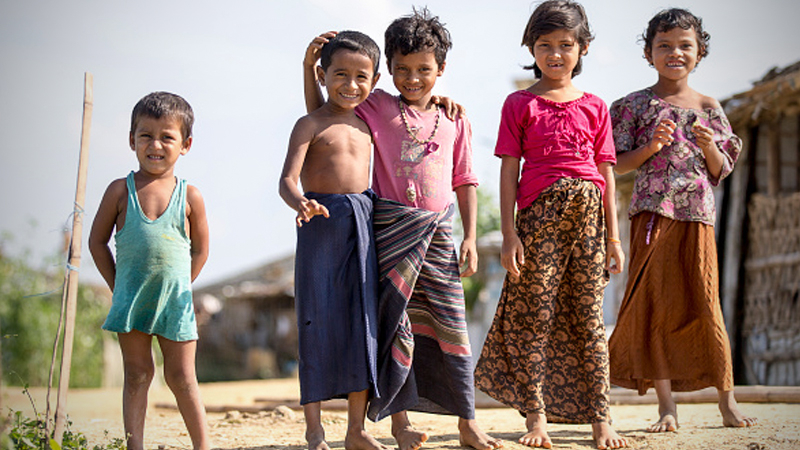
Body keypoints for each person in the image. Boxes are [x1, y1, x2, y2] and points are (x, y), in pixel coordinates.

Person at [303, 9, 501, 450]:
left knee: (452, 325)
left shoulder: (455, 119)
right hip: (389, 232)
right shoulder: (375, 106)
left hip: (439, 234)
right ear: (387, 71)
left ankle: (467, 423)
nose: (413, 78)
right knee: (396, 327)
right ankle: (400, 423)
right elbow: (323, 120)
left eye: (424, 70)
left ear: (441, 71)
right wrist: (308, 71)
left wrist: (470, 236)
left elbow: (465, 180)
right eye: (403, 70)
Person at [472, 1, 628, 448]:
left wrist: (614, 238)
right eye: (545, 46)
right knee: (534, 317)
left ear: (582, 48)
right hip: (538, 222)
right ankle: (536, 418)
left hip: (590, 226)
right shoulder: (520, 103)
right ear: (531, 48)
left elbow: (607, 175)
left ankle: (601, 418)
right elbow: (507, 170)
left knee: (589, 319)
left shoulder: (596, 107)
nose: (555, 55)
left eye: (565, 45)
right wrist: (508, 233)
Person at [608, 8, 758, 433]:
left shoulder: (710, 107)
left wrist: (710, 145)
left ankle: (726, 402)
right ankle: (666, 406)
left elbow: (720, 168)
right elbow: (616, 164)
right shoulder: (632, 105)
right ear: (648, 53)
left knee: (706, 304)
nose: (674, 52)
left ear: (700, 53)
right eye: (664, 45)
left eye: (684, 45)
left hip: (697, 218)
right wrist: (649, 149)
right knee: (654, 305)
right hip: (651, 216)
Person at [280, 30, 387, 450]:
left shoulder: (369, 122)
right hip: (320, 222)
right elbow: (287, 179)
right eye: (339, 74)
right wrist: (300, 202)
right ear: (324, 75)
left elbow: (411, 111)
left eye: (361, 77)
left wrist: (445, 103)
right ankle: (314, 429)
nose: (351, 85)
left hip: (364, 219)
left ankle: (356, 430)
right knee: (316, 320)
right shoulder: (309, 123)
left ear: (375, 81)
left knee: (363, 324)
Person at [88, 92, 211, 450]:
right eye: (146, 135)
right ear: (132, 140)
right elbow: (97, 242)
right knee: (138, 374)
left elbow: (201, 249)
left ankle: (203, 446)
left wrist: (182, 285)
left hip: (176, 302)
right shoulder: (119, 191)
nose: (155, 145)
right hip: (132, 301)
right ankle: (134, 445)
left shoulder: (190, 196)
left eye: (167, 137)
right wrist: (118, 286)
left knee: (183, 377)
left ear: (185, 144)